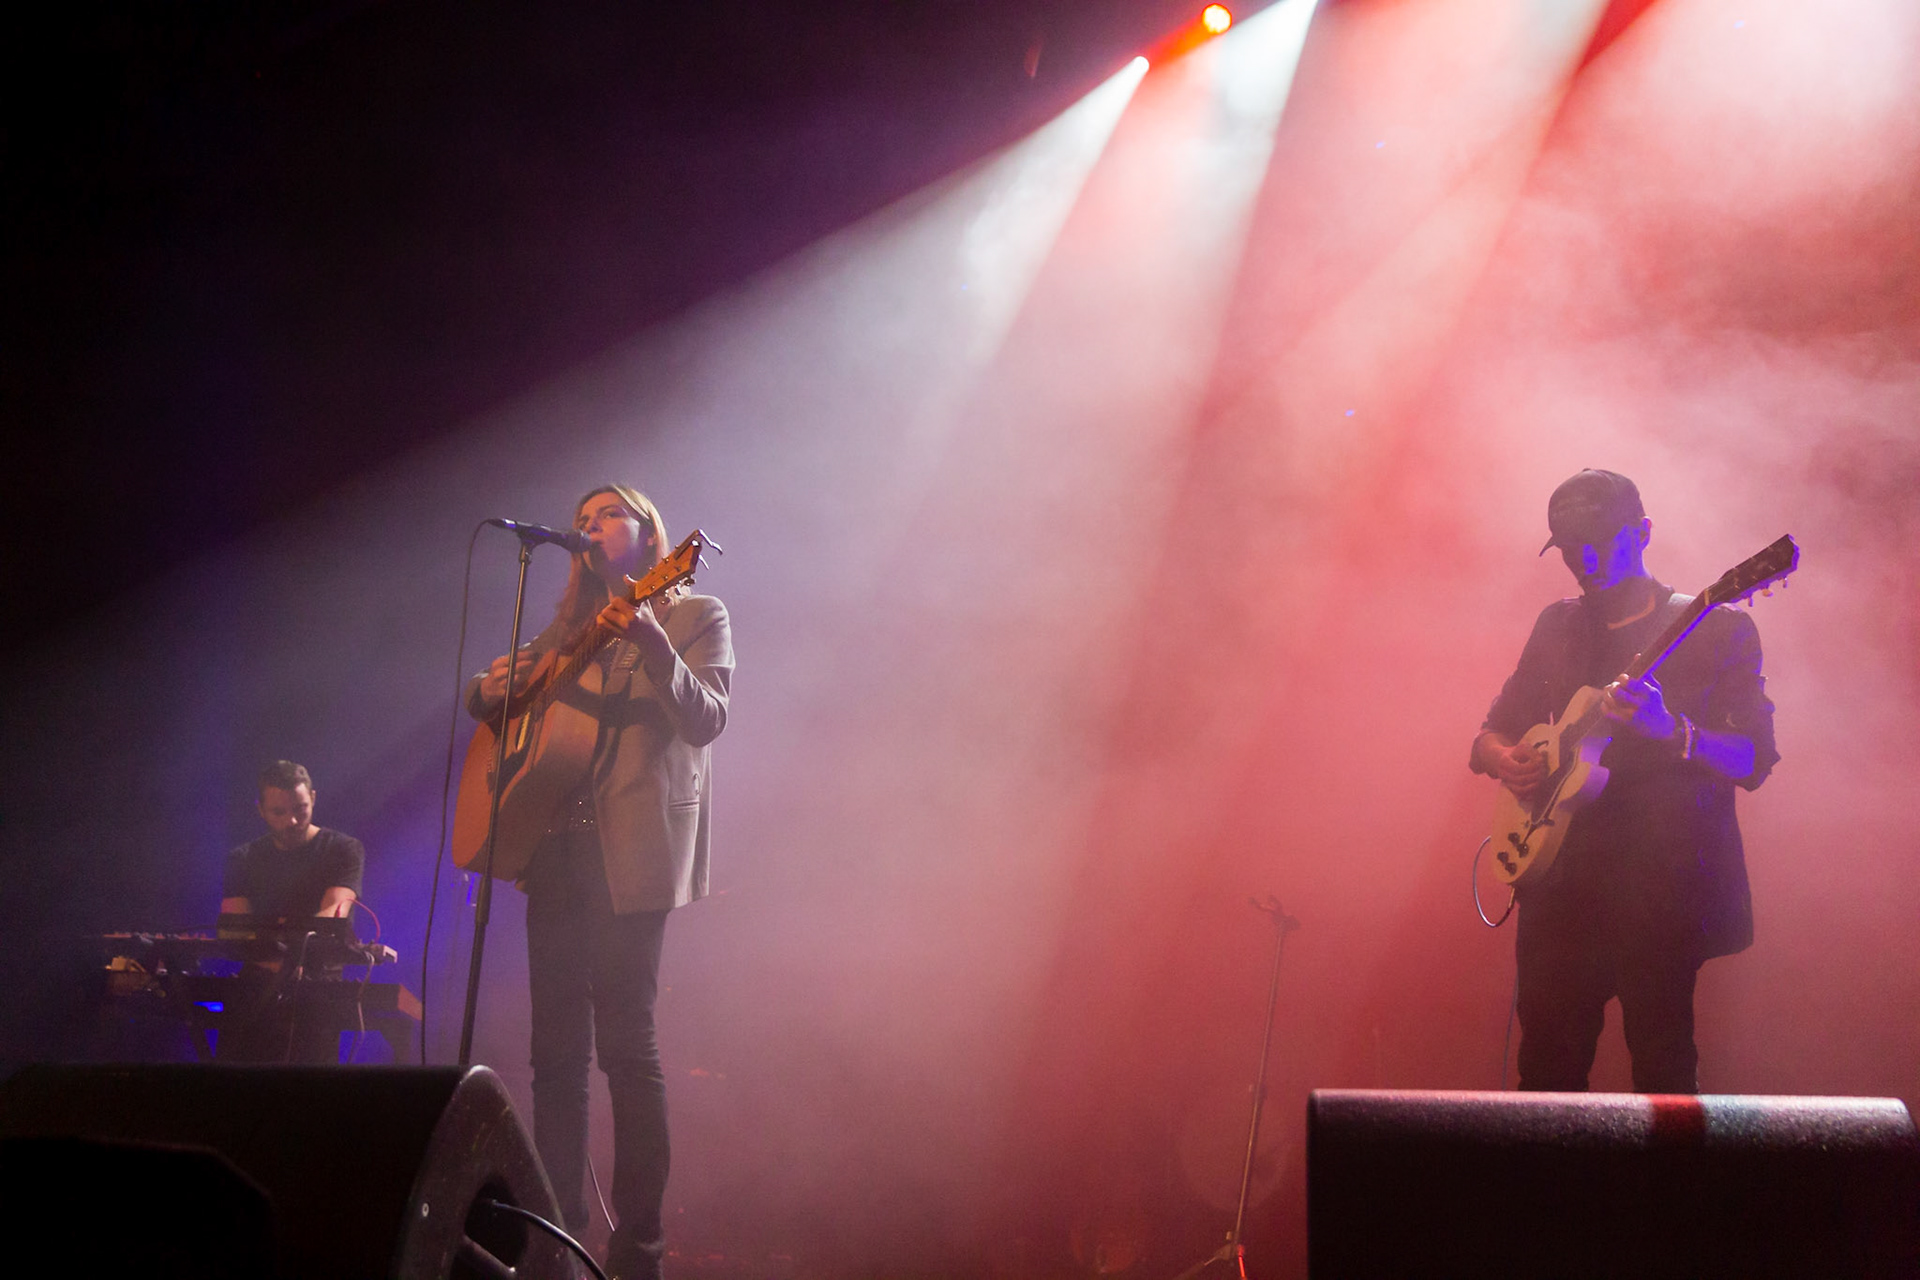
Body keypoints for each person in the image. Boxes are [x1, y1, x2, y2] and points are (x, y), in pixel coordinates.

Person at [467, 484, 732, 1280]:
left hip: (630, 855)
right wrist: (489, 696)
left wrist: (651, 641)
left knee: (627, 1049)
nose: (588, 529)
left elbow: (708, 717)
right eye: (581, 521)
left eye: (606, 515)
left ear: (651, 536)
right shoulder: (565, 628)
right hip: (553, 851)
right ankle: (556, 1244)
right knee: (555, 1057)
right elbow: (506, 701)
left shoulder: (694, 612)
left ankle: (638, 1251)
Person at [1470, 469, 1778, 1093]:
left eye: (1598, 539)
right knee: (1547, 1079)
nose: (1582, 559)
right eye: (1567, 545)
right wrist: (1505, 758)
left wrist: (1675, 730)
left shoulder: (1716, 627)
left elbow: (1754, 760)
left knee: (1663, 1077)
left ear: (1641, 531)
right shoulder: (1556, 626)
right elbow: (1490, 732)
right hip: (1557, 886)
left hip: (1659, 894)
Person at [222, 760, 363, 921]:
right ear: (261, 810)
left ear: (313, 798)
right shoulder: (242, 859)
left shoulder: (341, 849)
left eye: (300, 809)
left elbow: (329, 921)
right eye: (279, 812)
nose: (292, 821)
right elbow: (235, 930)